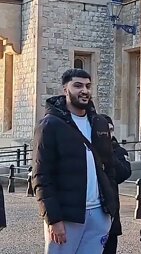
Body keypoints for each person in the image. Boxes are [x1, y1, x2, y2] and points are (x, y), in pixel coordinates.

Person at [32, 68, 117, 253]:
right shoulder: (50, 125)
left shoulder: (99, 122)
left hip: (99, 212)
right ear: (65, 89)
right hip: (67, 214)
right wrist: (53, 219)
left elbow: (109, 168)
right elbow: (41, 175)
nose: (84, 90)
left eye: (87, 86)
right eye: (78, 85)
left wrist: (111, 210)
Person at [100, 114, 132, 254]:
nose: (109, 133)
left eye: (111, 130)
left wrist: (108, 152)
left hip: (110, 211)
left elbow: (123, 173)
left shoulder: (119, 151)